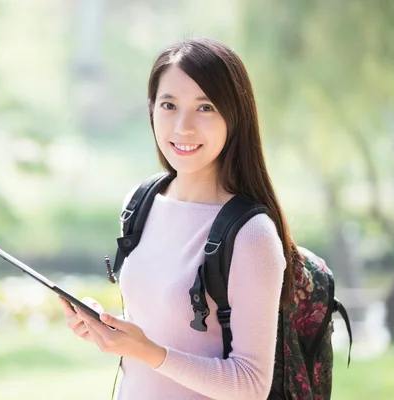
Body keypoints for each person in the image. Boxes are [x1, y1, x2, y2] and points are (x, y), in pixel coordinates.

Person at [58, 37, 299, 400]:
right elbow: (160, 328)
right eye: (169, 105)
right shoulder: (140, 203)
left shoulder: (251, 234)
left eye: (205, 108)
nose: (182, 127)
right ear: (152, 109)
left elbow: (250, 385)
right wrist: (107, 327)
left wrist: (147, 352)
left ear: (235, 117)